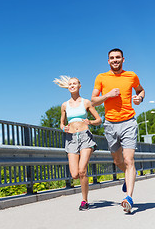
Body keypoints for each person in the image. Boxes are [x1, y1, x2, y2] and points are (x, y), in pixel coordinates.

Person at [91, 48, 145, 213]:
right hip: (110, 124)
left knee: (129, 160)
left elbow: (140, 90)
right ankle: (128, 178)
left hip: (129, 122)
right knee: (117, 161)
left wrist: (140, 98)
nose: (115, 60)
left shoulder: (131, 76)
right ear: (108, 61)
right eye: (112, 58)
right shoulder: (101, 77)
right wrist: (107, 95)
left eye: (118, 57)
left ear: (123, 59)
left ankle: (128, 198)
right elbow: (93, 101)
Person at [54, 76, 102, 210]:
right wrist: (64, 128)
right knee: (74, 174)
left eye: (75, 83)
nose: (72, 86)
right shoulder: (64, 105)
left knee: (82, 171)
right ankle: (84, 189)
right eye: (70, 84)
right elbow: (61, 124)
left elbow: (99, 119)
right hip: (71, 139)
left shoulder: (86, 102)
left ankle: (84, 200)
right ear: (68, 87)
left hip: (85, 136)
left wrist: (90, 122)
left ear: (79, 86)